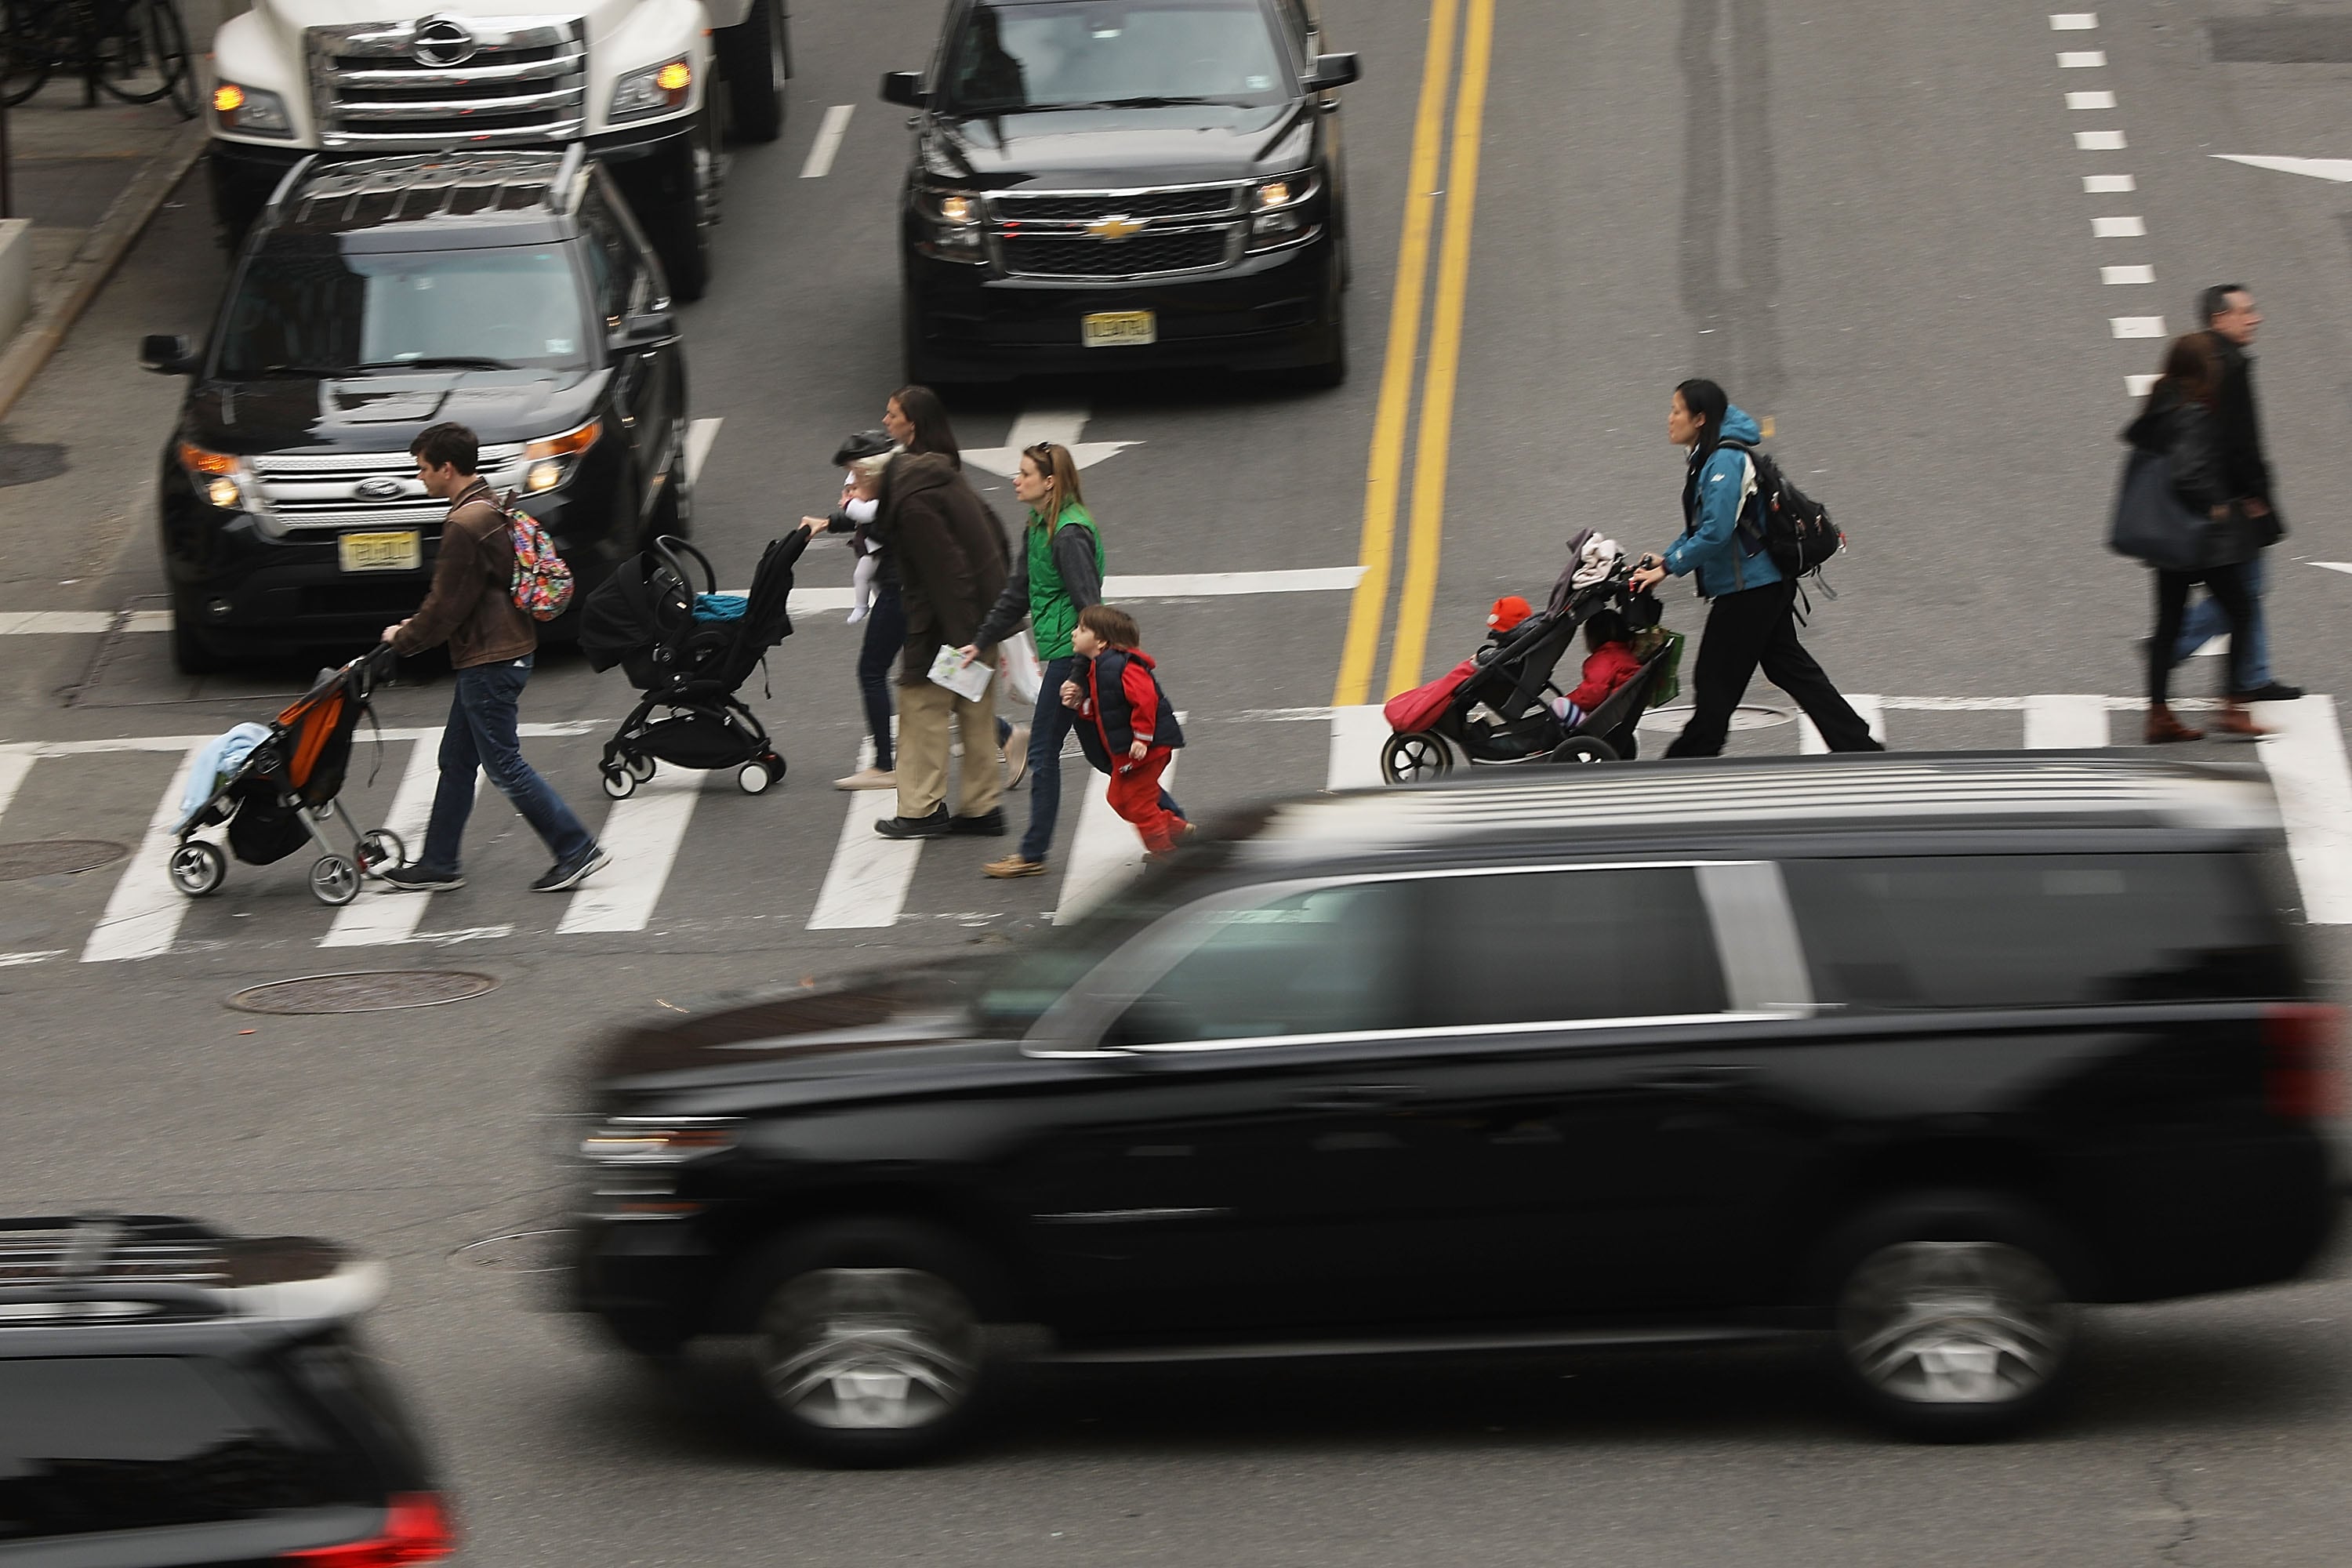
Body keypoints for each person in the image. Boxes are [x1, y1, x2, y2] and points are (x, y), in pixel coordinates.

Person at [376, 423, 607, 893]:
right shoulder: (492, 504)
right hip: (500, 651)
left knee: (503, 764)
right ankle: (440, 861)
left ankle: (575, 848)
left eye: (423, 469)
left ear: (446, 468)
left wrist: (403, 639)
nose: (419, 478)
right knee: (457, 760)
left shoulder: (465, 524)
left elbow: (445, 605)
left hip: (490, 657)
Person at [1627, 379, 1881, 757]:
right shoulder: (1708, 455)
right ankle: (1857, 744)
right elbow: (1705, 527)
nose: (1669, 418)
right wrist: (1669, 556)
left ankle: (1690, 758)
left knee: (1715, 679)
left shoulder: (1725, 460)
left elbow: (1715, 532)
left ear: (1700, 418)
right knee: (1787, 668)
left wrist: (1670, 568)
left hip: (1751, 591)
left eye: (1676, 410)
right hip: (1763, 584)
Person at [957, 443, 1105, 879]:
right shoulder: (1039, 525)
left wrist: (1078, 674)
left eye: (1024, 474)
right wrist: (980, 639)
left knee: (1042, 749)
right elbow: (1018, 591)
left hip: (1070, 653)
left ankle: (1032, 852)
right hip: (1065, 651)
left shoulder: (1068, 534)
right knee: (1103, 754)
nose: (1015, 480)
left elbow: (1089, 610)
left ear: (1050, 482)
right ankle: (1170, 822)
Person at [873, 434, 1013, 839]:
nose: (849, 488)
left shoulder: (913, 507)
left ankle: (920, 810)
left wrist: (964, 639)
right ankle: (983, 807)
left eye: (852, 478)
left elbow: (946, 573)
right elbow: (994, 532)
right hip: (984, 614)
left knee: (920, 711)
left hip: (947, 629)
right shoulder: (940, 479)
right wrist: (985, 631)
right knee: (976, 713)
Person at [2129, 333, 2267, 742]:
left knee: (2168, 622)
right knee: (2241, 609)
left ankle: (2158, 714)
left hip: (2166, 536)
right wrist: (2215, 505)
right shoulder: (2194, 409)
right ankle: (2234, 706)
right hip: (2201, 540)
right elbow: (2189, 472)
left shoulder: (2160, 400)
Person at [2169, 285, 2299, 702]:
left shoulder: (2204, 361)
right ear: (2219, 318)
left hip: (2213, 492)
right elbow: (2238, 441)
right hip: (2232, 497)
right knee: (2246, 590)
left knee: (2248, 587)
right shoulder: (2230, 365)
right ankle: (2174, 647)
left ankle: (2253, 675)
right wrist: (2254, 494)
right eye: (2246, 312)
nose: (2255, 318)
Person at [1063, 604, 1189, 858]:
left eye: (1082, 629)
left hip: (1147, 748)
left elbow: (1146, 699)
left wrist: (1142, 738)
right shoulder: (1100, 666)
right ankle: (1176, 829)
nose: (1074, 633)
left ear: (1100, 641)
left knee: (1139, 806)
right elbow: (1108, 707)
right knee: (1118, 799)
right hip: (1129, 749)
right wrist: (1082, 705)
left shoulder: (1122, 665)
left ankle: (1165, 852)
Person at [1546, 608, 1642, 728]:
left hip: (1603, 721)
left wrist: (1569, 700)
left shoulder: (1604, 660)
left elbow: (1592, 695)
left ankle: (1542, 744)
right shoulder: (1627, 657)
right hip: (1620, 715)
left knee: (1559, 706)